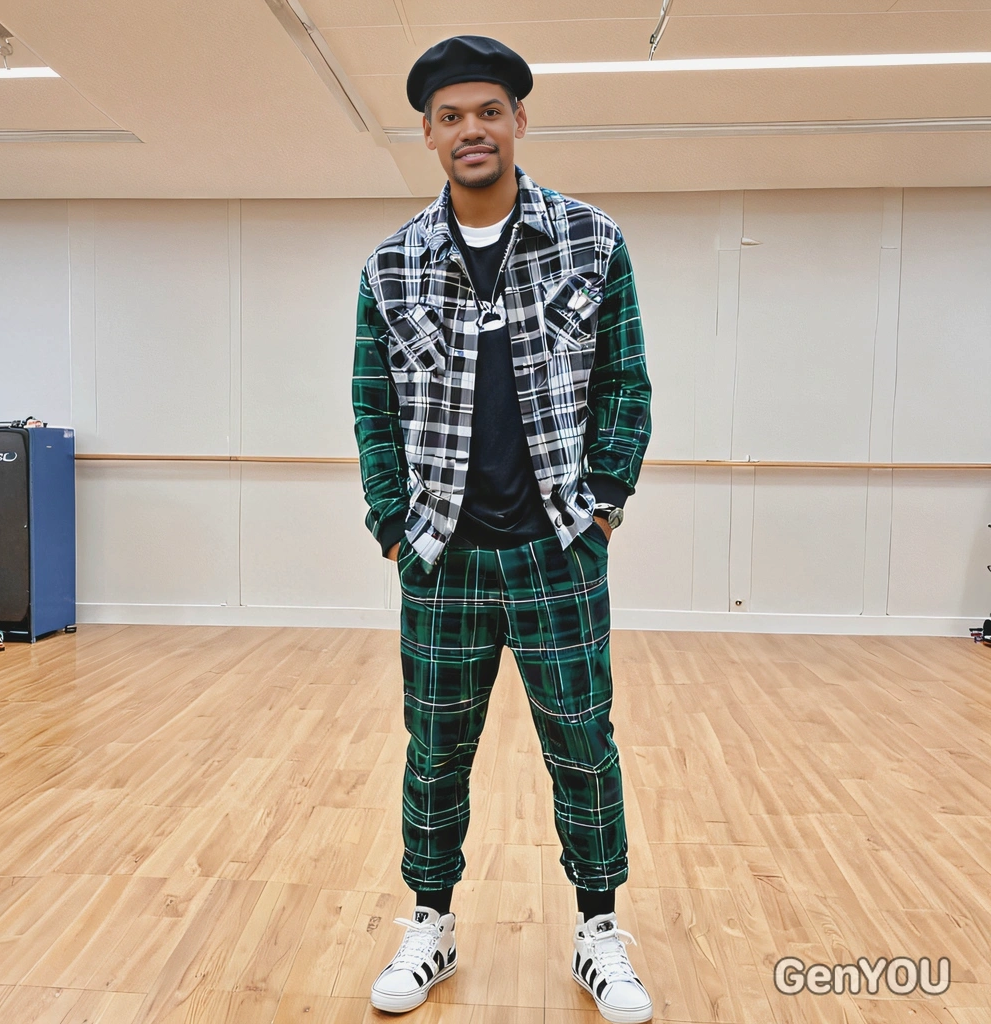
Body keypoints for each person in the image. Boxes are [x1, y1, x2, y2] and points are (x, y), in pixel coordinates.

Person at [351, 34, 653, 1023]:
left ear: (518, 120)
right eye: (450, 115)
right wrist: (392, 523)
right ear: (428, 133)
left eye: (488, 110)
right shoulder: (391, 265)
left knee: (582, 745)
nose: (470, 129)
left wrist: (601, 504)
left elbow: (624, 383)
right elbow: (372, 404)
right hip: (439, 554)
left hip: (557, 550)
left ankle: (598, 930)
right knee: (434, 750)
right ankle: (429, 921)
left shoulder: (590, 241)